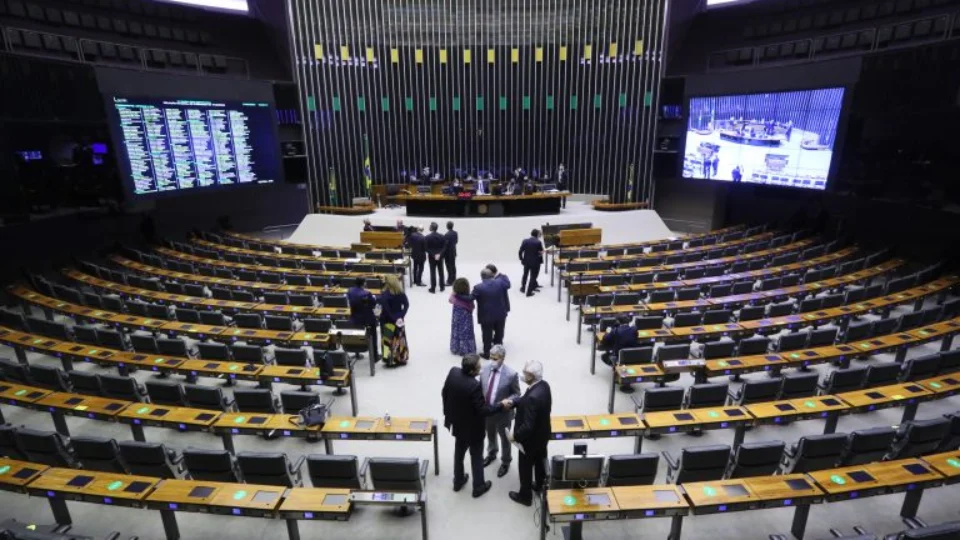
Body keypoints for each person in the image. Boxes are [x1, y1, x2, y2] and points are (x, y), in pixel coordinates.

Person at [441, 354, 500, 498]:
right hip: (474, 429)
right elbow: (483, 410)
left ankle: (458, 481)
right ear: (472, 371)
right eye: (479, 367)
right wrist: (500, 406)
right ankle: (479, 486)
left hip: (458, 424)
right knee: (476, 457)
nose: (481, 369)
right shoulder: (474, 386)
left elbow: (444, 392)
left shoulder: (453, 372)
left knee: (459, 453)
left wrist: (449, 412)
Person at [504, 360, 552, 506]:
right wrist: (514, 402)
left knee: (525, 468)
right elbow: (526, 401)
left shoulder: (532, 397)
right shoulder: (544, 385)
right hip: (543, 435)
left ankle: (525, 496)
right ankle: (539, 486)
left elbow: (528, 426)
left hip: (529, 441)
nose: (523, 374)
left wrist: (515, 436)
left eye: (525, 373)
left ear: (531, 376)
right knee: (540, 462)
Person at [480, 345, 520, 478]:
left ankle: (506, 461)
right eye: (490, 357)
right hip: (488, 412)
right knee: (490, 434)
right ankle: (492, 453)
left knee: (505, 439)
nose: (492, 360)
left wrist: (508, 401)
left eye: (495, 358)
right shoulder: (484, 369)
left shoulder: (511, 374)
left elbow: (516, 394)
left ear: (502, 358)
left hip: (503, 414)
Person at [472, 267, 510, 358]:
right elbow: (508, 284)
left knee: (487, 335)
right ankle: (499, 352)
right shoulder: (500, 282)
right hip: (501, 313)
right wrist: (501, 275)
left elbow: (470, 298)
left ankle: (487, 353)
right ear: (492, 275)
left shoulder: (478, 287)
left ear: (482, 277)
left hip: (486, 316)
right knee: (499, 333)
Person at [377, 275, 409, 367]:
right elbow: (406, 305)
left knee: (387, 340)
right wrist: (401, 315)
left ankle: (388, 360)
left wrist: (393, 318)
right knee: (400, 338)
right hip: (399, 319)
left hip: (387, 320)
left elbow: (386, 310)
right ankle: (401, 358)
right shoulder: (401, 293)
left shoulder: (385, 295)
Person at [346, 277, 379, 364]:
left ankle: (357, 352)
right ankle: (375, 356)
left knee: (357, 332)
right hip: (367, 318)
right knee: (373, 336)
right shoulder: (366, 293)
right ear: (363, 283)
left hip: (354, 317)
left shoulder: (350, 291)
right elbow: (373, 304)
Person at [449, 278, 477, 356]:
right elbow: (472, 307)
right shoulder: (468, 298)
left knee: (457, 331)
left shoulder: (455, 297)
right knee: (466, 333)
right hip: (466, 319)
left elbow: (450, 299)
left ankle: (456, 347)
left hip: (456, 318)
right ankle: (466, 349)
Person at [518, 229, 544, 296]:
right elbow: (540, 252)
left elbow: (520, 251)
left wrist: (521, 259)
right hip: (535, 262)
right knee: (533, 276)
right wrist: (542, 253)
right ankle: (529, 292)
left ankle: (523, 288)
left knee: (525, 274)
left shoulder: (525, 241)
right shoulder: (538, 242)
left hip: (526, 261)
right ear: (537, 235)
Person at [425, 222, 446, 293]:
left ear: (431, 228)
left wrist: (434, 255)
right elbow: (444, 247)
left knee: (432, 272)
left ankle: (433, 288)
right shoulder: (442, 236)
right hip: (440, 257)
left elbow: (426, 248)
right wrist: (439, 254)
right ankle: (442, 287)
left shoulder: (427, 237)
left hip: (432, 257)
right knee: (441, 272)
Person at [444, 221, 458, 286]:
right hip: (453, 252)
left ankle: (450, 281)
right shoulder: (455, 233)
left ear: (447, 226)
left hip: (448, 253)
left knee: (449, 267)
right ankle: (454, 279)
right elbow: (456, 241)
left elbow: (445, 245)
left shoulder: (446, 235)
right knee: (453, 266)